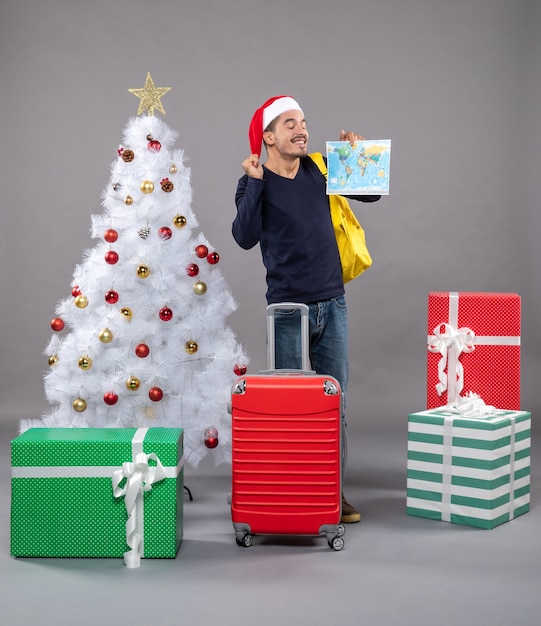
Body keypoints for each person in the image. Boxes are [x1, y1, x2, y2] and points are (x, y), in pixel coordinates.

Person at [232, 95, 380, 523]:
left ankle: (333, 493)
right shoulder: (252, 181)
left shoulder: (319, 167)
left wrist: (357, 155)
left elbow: (371, 196)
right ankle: (289, 489)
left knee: (337, 404)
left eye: (304, 122)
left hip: (332, 303)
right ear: (269, 137)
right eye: (290, 123)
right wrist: (256, 182)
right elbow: (243, 236)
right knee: (289, 406)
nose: (302, 130)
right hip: (287, 309)